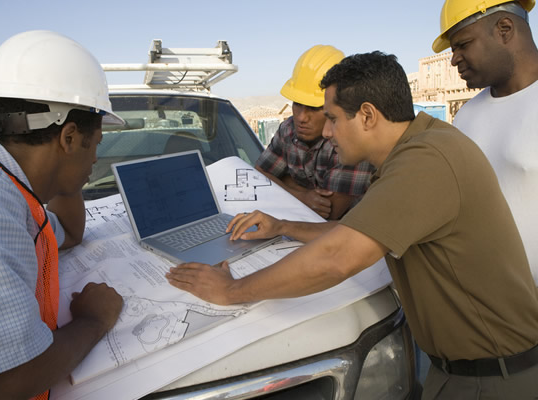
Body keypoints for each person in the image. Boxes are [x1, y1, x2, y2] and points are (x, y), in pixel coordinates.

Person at [166, 51, 538, 399]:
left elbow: (337, 258)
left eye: (332, 118)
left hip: (489, 379)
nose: (327, 132)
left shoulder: (426, 161)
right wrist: (283, 226)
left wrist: (231, 291)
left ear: (367, 115)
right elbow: (359, 232)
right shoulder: (414, 149)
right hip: (463, 370)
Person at [0, 31, 124, 400]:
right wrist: (94, 320)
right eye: (96, 144)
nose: (96, 160)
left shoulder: (9, 191)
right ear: (69, 137)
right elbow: (3, 385)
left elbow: (68, 233)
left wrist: (67, 170)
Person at [433, 0, 538, 286]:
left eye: (463, 44)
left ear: (504, 29)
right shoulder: (467, 115)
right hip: (488, 302)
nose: (454, 59)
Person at [255, 45, 375, 220]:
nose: (302, 117)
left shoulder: (350, 141)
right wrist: (303, 196)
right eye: (297, 104)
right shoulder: (288, 130)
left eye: (313, 107)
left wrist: (284, 181)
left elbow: (329, 211)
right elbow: (260, 176)